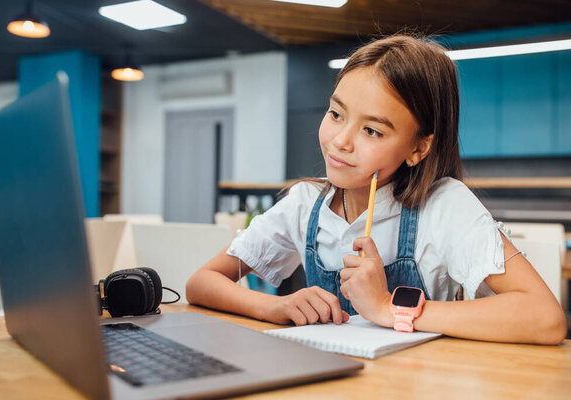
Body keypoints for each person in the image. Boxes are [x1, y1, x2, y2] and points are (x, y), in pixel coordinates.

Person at [186, 35, 567, 345]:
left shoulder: (444, 206)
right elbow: (201, 283)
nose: (341, 141)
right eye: (336, 114)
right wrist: (275, 306)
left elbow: (545, 318)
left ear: (418, 148)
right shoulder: (305, 205)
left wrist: (388, 307)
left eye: (372, 131)